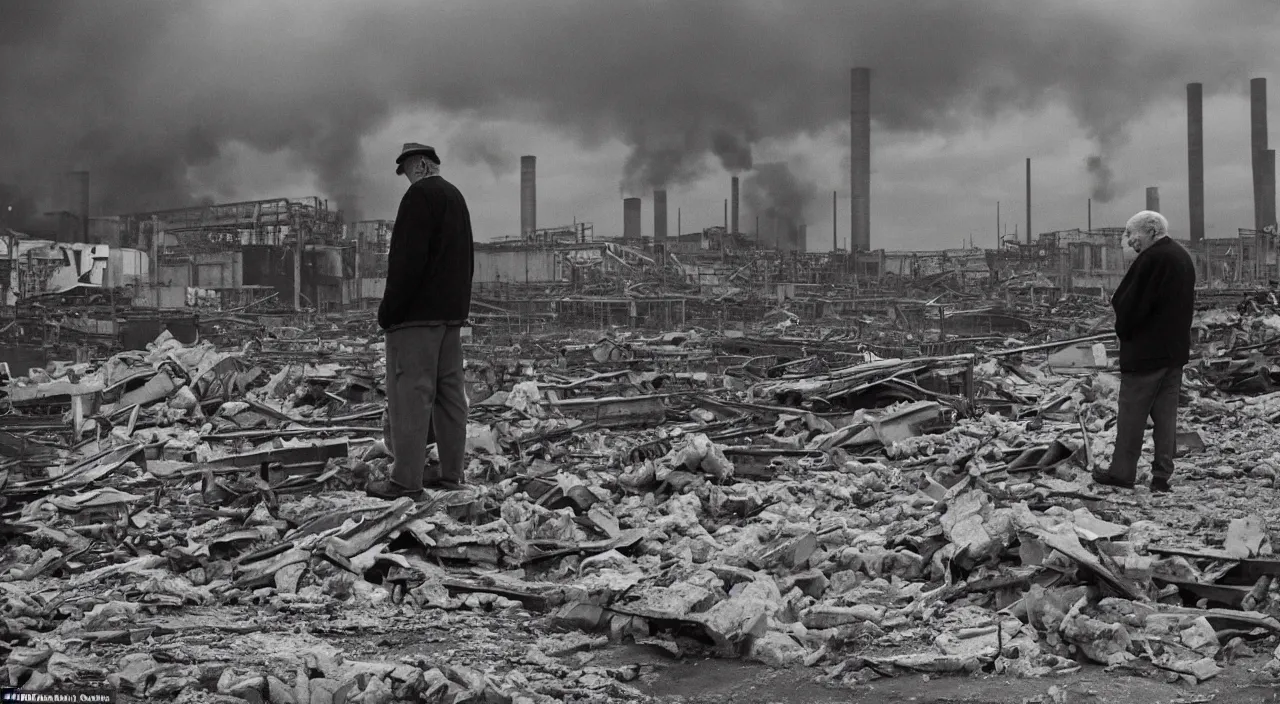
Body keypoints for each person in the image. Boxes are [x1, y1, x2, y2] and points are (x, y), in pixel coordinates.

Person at [366, 142, 474, 499]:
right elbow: (464, 261)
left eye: (410, 170)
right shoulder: (456, 198)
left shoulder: (418, 198)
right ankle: (452, 475)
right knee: (449, 394)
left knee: (410, 395)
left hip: (415, 320)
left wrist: (389, 312)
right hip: (450, 318)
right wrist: (458, 310)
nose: (409, 179)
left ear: (424, 164)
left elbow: (406, 263)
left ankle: (405, 481)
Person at [1093, 210, 1195, 493]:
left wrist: (1124, 330)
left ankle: (1122, 473)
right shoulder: (1181, 256)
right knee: (1166, 419)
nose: (1129, 240)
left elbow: (1130, 305)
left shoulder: (1152, 259)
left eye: (1131, 233)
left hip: (1146, 355)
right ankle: (1162, 476)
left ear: (1150, 231)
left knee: (1131, 416)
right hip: (1174, 353)